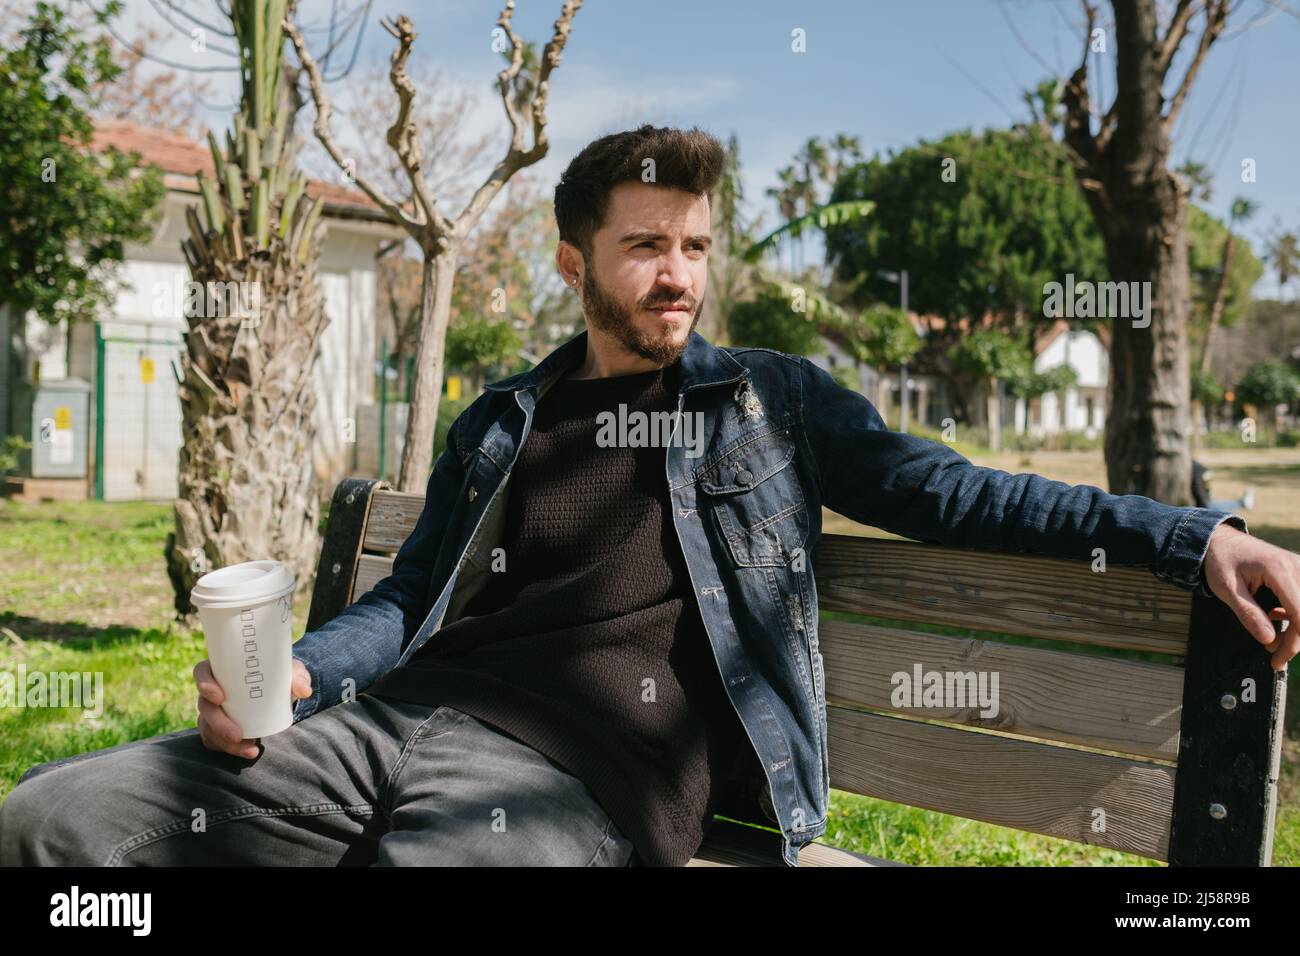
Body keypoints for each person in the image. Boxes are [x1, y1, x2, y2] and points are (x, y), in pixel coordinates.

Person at [3, 125, 1298, 868]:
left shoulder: (773, 403)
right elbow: (404, 601)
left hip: (586, 784)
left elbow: (963, 496)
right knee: (54, 823)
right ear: (575, 261)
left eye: (694, 247)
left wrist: (1194, 539)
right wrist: (298, 678)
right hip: (389, 730)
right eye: (644, 247)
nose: (677, 275)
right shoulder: (505, 416)